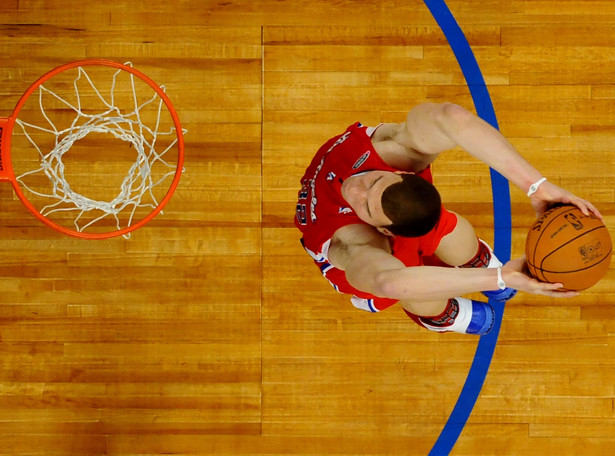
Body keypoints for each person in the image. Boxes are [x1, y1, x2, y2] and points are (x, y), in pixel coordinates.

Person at [295, 102, 601, 335]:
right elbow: (387, 281)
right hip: (381, 264)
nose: (356, 188)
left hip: (410, 221)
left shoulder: (391, 163)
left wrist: (536, 188)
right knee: (419, 293)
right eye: (366, 201)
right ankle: (439, 316)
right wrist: (499, 277)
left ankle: (476, 261)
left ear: (401, 174)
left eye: (374, 185)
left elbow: (452, 120)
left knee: (454, 232)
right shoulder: (351, 241)